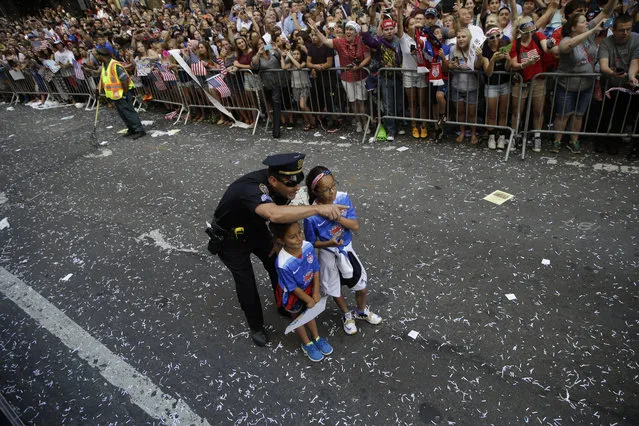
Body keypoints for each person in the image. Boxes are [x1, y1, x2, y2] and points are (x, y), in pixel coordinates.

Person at [209, 153, 347, 347]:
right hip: (231, 240)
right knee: (246, 284)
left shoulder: (281, 188)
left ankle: (284, 304)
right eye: (291, 184)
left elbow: (281, 217)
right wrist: (316, 209)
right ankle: (256, 326)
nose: (296, 187)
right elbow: (273, 213)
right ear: (273, 180)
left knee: (277, 268)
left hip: (257, 230)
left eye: (298, 181)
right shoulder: (249, 189)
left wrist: (276, 238)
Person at [303, 166, 382, 336]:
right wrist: (327, 243)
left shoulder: (343, 199)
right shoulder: (311, 215)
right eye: (326, 189)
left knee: (361, 287)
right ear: (315, 191)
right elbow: (311, 243)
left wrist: (337, 217)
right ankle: (347, 314)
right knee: (334, 288)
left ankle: (360, 311)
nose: (332, 192)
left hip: (346, 250)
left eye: (333, 186)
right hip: (328, 254)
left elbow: (355, 225)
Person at [270, 221, 333, 362]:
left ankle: (316, 337)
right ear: (281, 240)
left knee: (310, 313)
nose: (299, 238)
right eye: (292, 237)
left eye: (300, 232)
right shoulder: (282, 264)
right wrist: (308, 299)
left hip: (308, 287)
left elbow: (315, 269)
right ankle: (307, 343)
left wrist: (316, 291)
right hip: (293, 294)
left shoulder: (308, 247)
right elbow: (292, 287)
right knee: (298, 316)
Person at [551, 15, 604, 154]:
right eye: (583, 22)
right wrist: (592, 31)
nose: (587, 23)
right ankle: (557, 140)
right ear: (573, 27)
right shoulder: (567, 39)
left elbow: (605, 12)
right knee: (563, 115)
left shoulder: (589, 37)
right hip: (566, 85)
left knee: (579, 115)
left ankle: (574, 141)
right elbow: (566, 47)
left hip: (586, 85)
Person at [597, 13, 639, 157]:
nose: (625, 33)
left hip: (627, 86)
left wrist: (632, 76)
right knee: (605, 114)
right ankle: (600, 141)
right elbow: (603, 65)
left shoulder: (636, 39)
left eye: (628, 29)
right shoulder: (606, 42)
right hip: (609, 84)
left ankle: (614, 142)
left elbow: (635, 62)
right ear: (614, 30)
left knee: (620, 115)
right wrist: (611, 72)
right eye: (622, 30)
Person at [95, 47, 146, 139]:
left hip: (123, 93)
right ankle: (131, 129)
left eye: (97, 55)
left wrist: (125, 94)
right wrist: (97, 89)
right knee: (123, 113)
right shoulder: (104, 65)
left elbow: (124, 80)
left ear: (102, 56)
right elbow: (103, 79)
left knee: (129, 112)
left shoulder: (114, 65)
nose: (96, 56)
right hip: (115, 95)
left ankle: (139, 130)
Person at [481, 25, 511, 150]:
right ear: (488, 38)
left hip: (505, 83)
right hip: (491, 84)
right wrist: (492, 60)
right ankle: (492, 136)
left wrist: (508, 59)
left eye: (497, 36)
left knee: (503, 111)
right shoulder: (486, 50)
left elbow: (508, 69)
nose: (495, 39)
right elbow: (488, 72)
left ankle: (502, 136)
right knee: (491, 112)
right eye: (492, 37)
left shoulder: (506, 44)